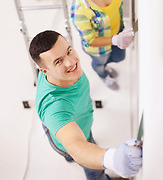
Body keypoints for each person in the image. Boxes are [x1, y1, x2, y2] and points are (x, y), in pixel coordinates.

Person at [29, 30, 142, 180]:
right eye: (58, 61)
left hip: (82, 124)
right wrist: (111, 158)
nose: (71, 62)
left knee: (83, 143)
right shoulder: (54, 108)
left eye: (69, 51)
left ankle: (68, 156)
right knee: (93, 170)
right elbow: (76, 146)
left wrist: (114, 40)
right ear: (44, 71)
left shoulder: (64, 70)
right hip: (67, 135)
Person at [70, 0, 137, 90]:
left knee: (119, 58)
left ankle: (106, 66)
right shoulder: (80, 11)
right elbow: (90, 40)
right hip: (98, 48)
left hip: (117, 32)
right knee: (100, 64)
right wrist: (115, 40)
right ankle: (103, 75)